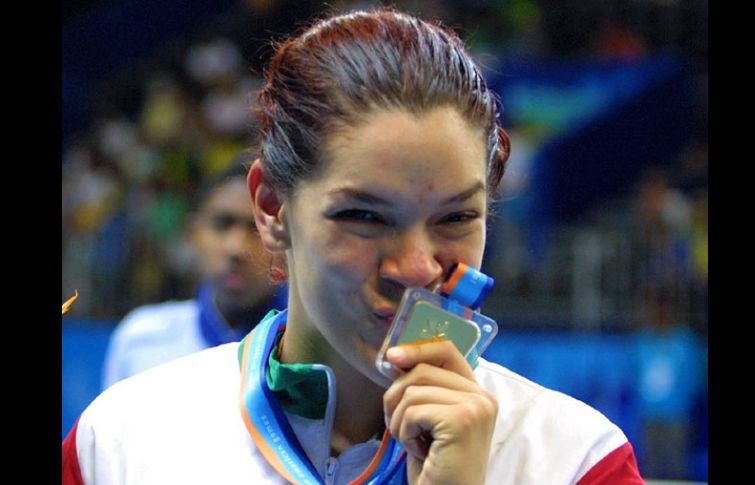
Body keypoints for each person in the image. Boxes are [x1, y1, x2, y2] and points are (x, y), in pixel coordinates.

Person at [63, 8, 645, 484]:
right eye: (364, 216)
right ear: (271, 209)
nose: (416, 267)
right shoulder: (117, 444)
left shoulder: (576, 460)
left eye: (457, 217)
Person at [101, 155, 287, 389]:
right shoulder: (139, 341)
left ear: (287, 238)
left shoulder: (314, 351)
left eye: (257, 229)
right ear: (193, 233)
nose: (236, 248)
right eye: (222, 224)